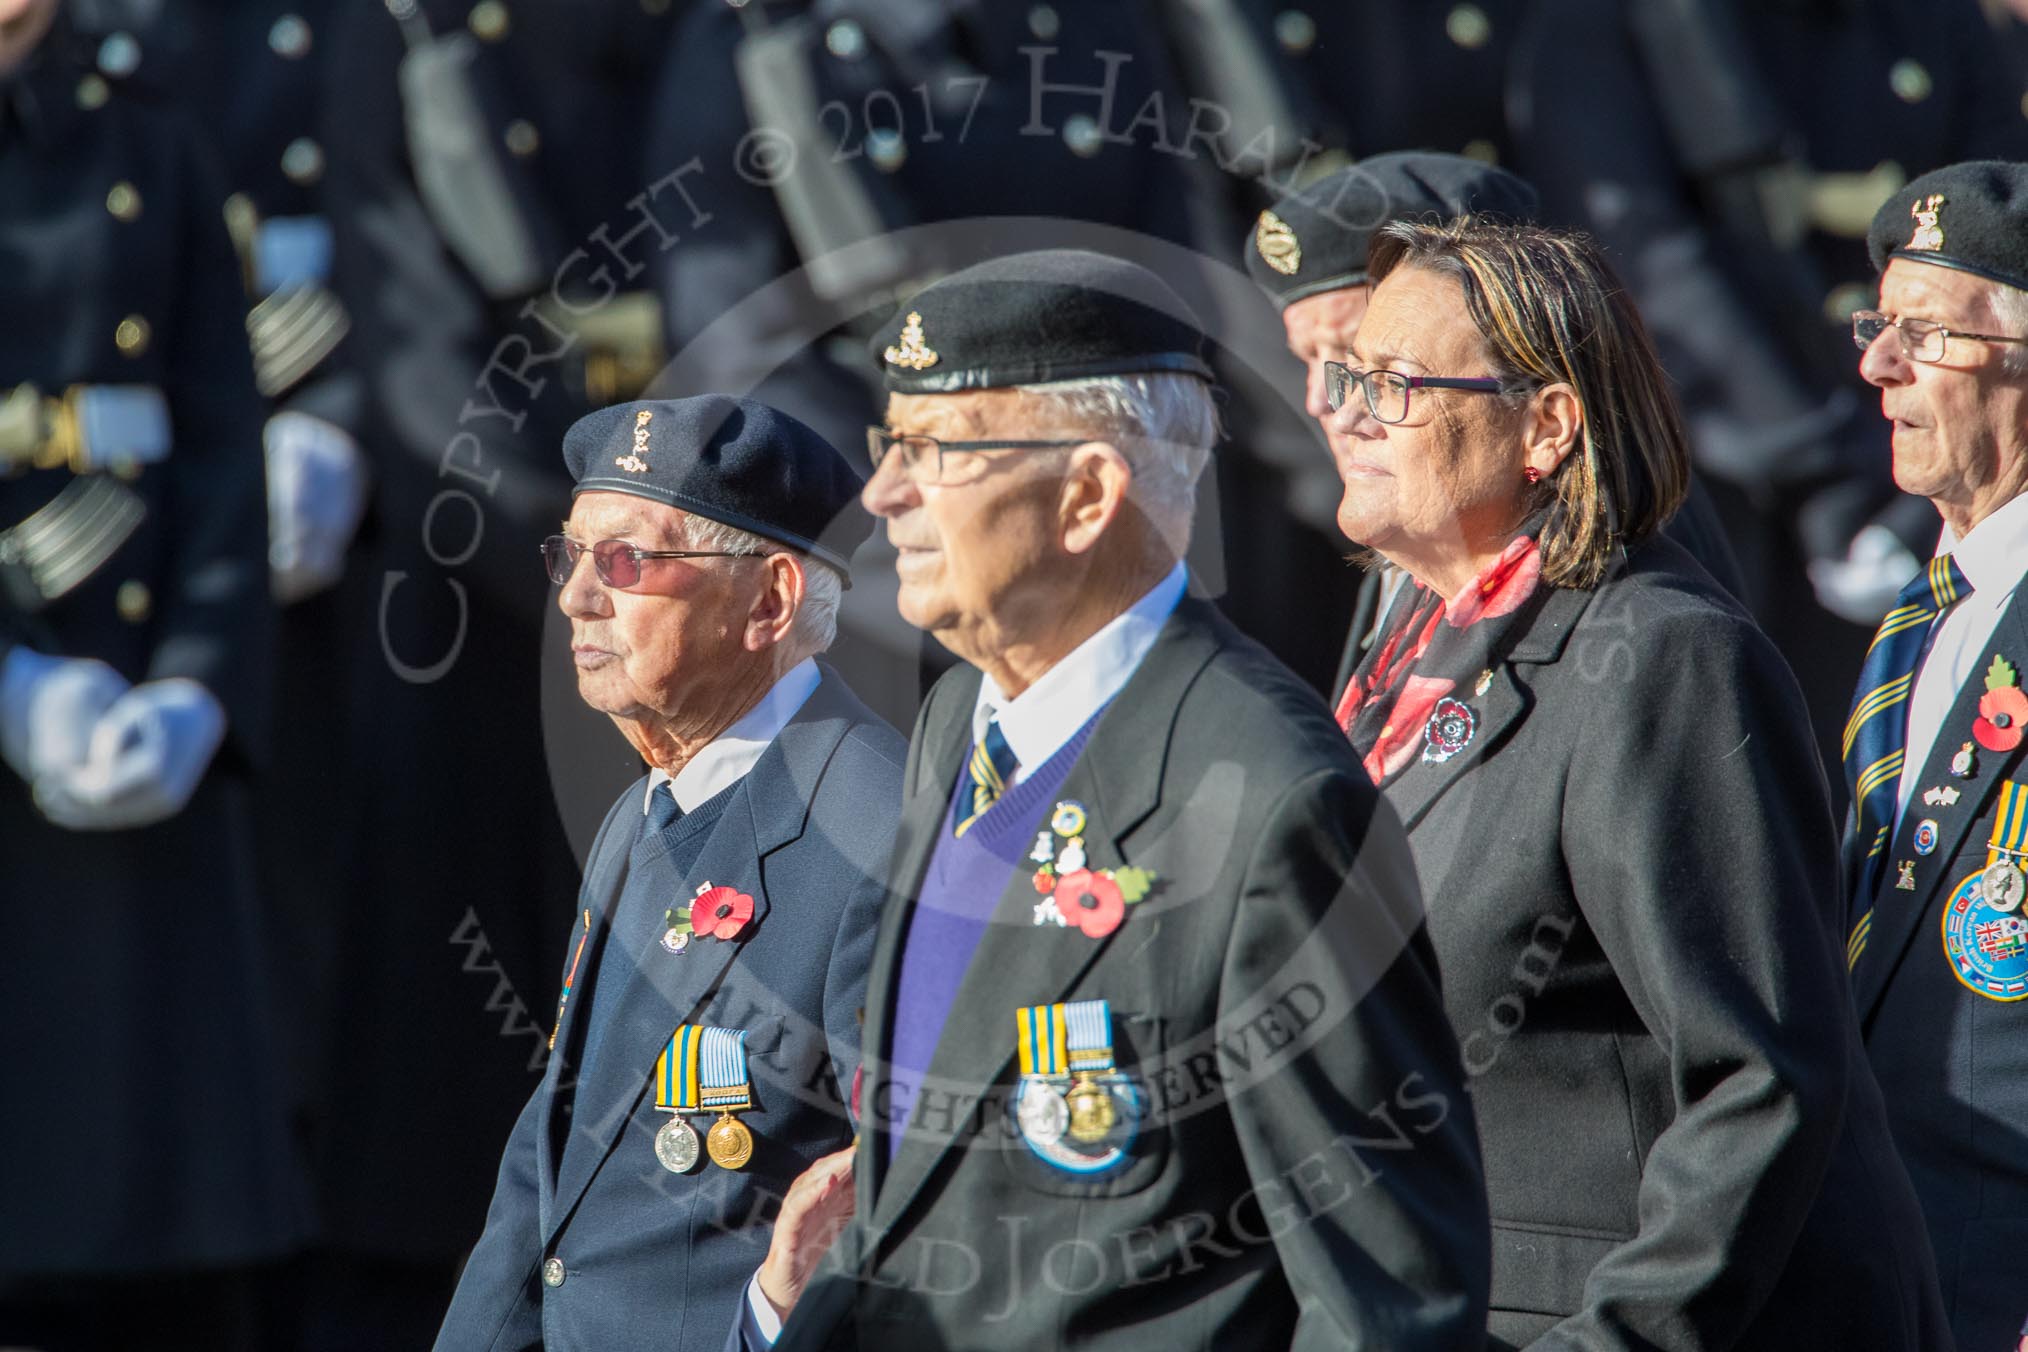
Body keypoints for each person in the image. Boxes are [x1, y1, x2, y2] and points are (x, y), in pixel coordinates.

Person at [741, 249, 1491, 1351]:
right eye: (886, 443)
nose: (883, 493)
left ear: (1089, 494)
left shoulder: (1271, 799)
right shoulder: (959, 723)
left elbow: (1390, 1294)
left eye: (934, 450)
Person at [1324, 217, 1948, 1348]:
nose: (1347, 411)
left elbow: (1757, 1085)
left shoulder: (1660, 657)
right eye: (1348, 374)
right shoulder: (1410, 637)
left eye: (1397, 383)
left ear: (1547, 425)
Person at [433, 395, 905, 1351]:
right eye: (571, 557)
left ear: (767, 601)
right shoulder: (648, 805)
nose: (575, 596)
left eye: (627, 561)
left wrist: (772, 1322)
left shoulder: (881, 831)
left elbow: (891, 1218)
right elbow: (555, 1161)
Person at [0, 0, 307, 1345]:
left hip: (128, 689)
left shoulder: (144, 131)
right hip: (26, 684)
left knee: (152, 1194)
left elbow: (217, 437)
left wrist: (200, 680)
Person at [1244, 150, 1744, 696]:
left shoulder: (1631, 546)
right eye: (1308, 356)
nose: (1325, 398)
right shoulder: (1418, 527)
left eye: (1373, 362)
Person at [1842, 160, 2028, 1352]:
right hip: (1883, 1268)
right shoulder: (1920, 615)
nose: (1876, 365)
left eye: (1926, 335)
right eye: (1877, 325)